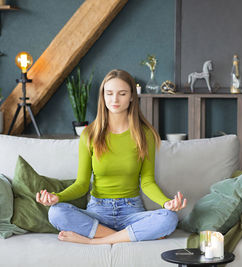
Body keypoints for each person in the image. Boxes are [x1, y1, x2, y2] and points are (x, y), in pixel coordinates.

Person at [36, 69, 187, 245]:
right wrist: (58, 197)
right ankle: (129, 236)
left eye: (122, 94)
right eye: (109, 93)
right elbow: (82, 184)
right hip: (97, 212)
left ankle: (96, 240)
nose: (115, 99)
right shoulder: (89, 134)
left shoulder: (144, 135)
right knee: (56, 212)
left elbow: (147, 182)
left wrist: (166, 203)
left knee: (169, 218)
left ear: (131, 97)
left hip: (131, 211)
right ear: (103, 96)